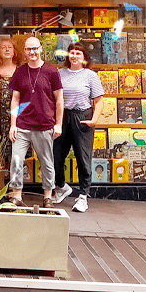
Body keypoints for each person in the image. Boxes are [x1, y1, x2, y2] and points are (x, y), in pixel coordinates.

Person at [8, 36, 63, 208]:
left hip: (44, 125)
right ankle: (16, 195)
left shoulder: (51, 71)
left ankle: (47, 197)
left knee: (46, 162)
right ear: (24, 51)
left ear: (41, 49)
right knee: (16, 160)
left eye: (35, 48)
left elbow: (59, 99)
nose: (32, 52)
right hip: (22, 125)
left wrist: (58, 124)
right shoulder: (20, 72)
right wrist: (13, 124)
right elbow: (15, 99)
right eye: (28, 49)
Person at [51, 42, 104, 213]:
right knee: (56, 155)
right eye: (72, 53)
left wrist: (93, 120)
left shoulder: (90, 76)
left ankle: (83, 196)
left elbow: (99, 101)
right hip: (63, 117)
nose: (74, 56)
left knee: (83, 157)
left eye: (78, 53)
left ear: (84, 57)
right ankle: (61, 187)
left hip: (82, 117)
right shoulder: (60, 73)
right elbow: (53, 98)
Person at [0, 37, 22, 194]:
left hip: (15, 118)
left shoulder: (21, 71)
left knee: (15, 154)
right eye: (3, 47)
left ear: (14, 51)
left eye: (10, 47)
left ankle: (14, 190)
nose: (7, 49)